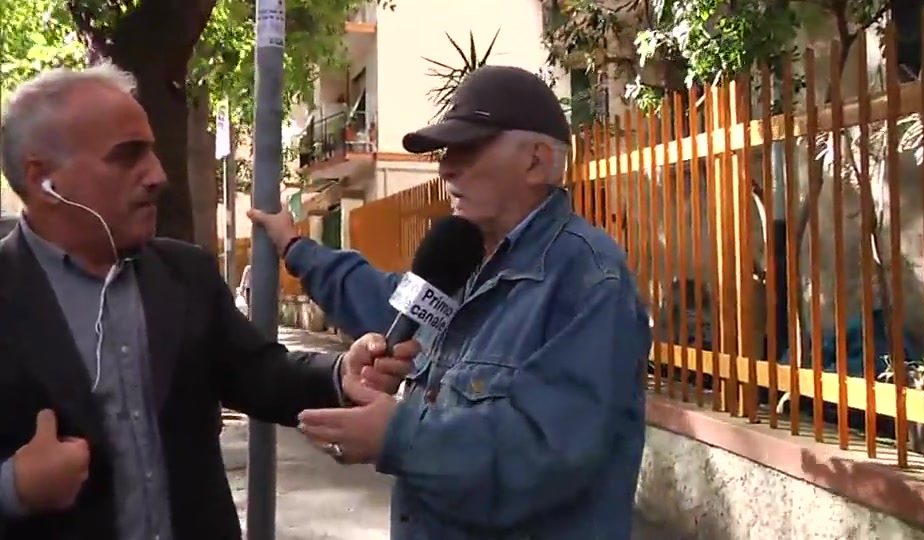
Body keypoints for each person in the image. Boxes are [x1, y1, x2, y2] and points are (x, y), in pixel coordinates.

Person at [0, 63, 417, 540]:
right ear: (43, 179)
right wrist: (14, 488)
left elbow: (259, 374)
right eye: (127, 156)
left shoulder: (185, 274)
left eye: (153, 153)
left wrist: (342, 372)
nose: (157, 175)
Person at [251, 65, 651, 539]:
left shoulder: (588, 279)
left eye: (469, 148)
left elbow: (547, 455)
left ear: (537, 162)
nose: (446, 168)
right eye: (445, 151)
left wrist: (398, 436)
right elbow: (380, 300)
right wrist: (296, 249)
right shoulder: (462, 262)